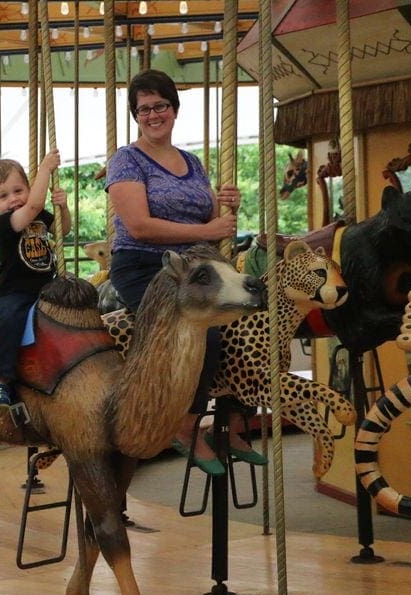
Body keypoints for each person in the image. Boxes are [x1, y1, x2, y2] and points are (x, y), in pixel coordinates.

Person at [105, 68, 267, 474]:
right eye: (144, 109)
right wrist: (207, 229)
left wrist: (226, 206)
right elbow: (139, 225)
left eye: (160, 105)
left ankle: (232, 418)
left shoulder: (192, 162)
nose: (153, 114)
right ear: (135, 115)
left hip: (199, 267)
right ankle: (186, 425)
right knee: (201, 331)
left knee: (248, 325)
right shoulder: (126, 160)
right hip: (147, 266)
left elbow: (211, 220)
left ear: (174, 109)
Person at [0, 150, 72, 408]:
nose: (13, 199)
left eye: (18, 190)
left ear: (28, 188)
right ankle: (0, 380)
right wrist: (44, 169)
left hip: (47, 285)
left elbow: (62, 231)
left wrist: (63, 207)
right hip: (16, 291)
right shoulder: (2, 222)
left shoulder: (39, 215)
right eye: (3, 196)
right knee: (9, 322)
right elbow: (33, 206)